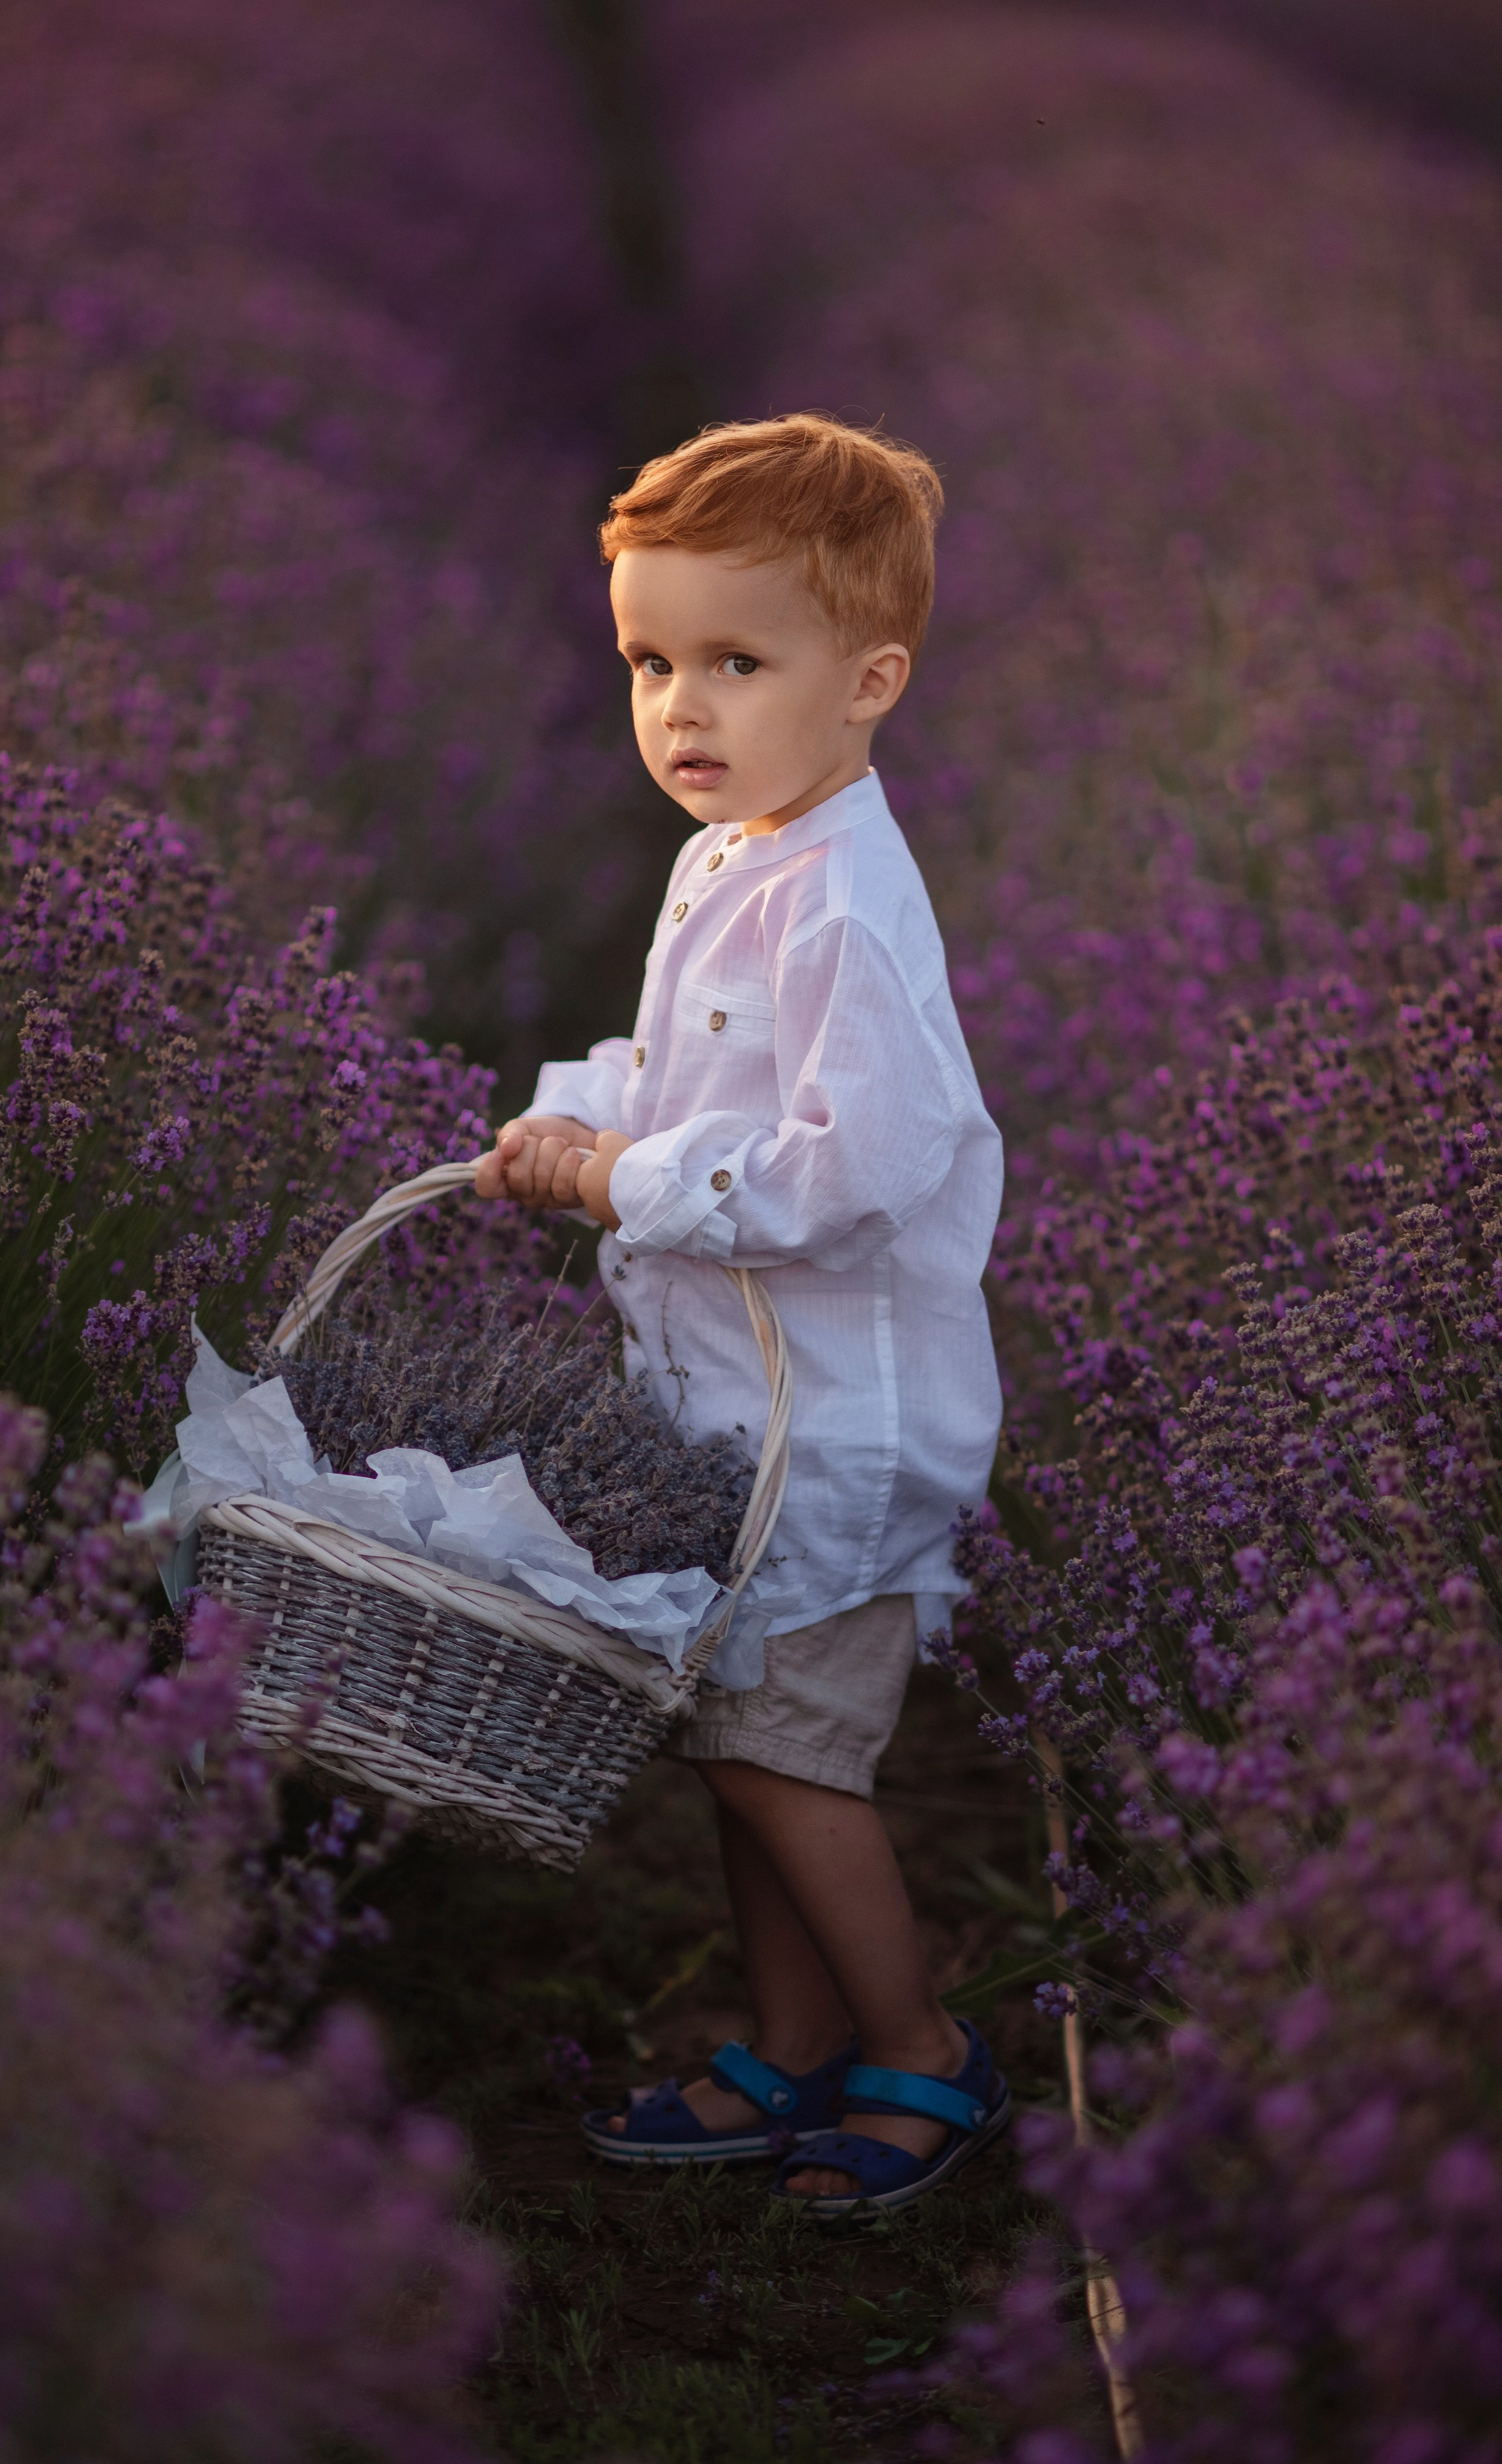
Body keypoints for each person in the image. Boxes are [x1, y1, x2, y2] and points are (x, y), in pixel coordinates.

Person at [474, 414, 1007, 2217]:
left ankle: (919, 2049)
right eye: (647, 661)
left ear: (871, 681)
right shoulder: (738, 851)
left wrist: (625, 1180)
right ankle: (790, 2050)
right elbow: (687, 1062)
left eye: (733, 662)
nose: (678, 708)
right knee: (738, 1749)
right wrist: (581, 1117)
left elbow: (858, 1163)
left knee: (793, 1761)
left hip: (835, 1434)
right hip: (731, 1416)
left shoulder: (845, 904)